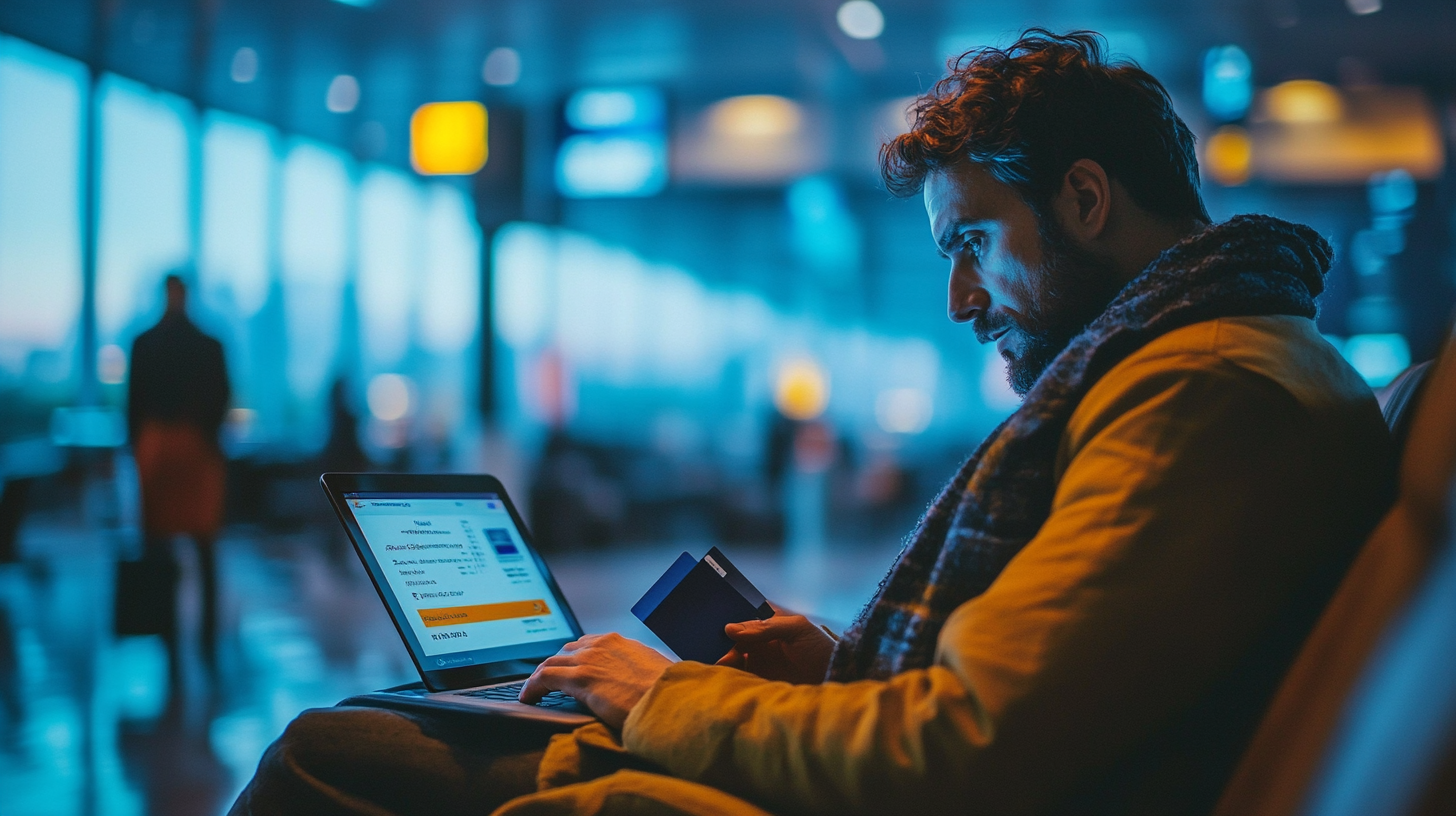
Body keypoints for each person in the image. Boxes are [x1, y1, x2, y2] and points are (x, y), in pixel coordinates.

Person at [230, 30, 1394, 816]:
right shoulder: (1231, 358)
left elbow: (966, 749)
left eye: (973, 244)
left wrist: (665, 697)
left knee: (321, 750)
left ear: (1085, 201)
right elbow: (1067, 684)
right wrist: (844, 663)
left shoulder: (1199, 392)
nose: (959, 302)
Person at [128, 274, 231, 662]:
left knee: (165, 547)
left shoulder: (145, 343)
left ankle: (170, 634)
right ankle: (196, 636)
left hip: (163, 448)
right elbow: (222, 395)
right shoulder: (209, 344)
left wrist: (138, 448)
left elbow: (133, 404)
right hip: (193, 447)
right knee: (199, 546)